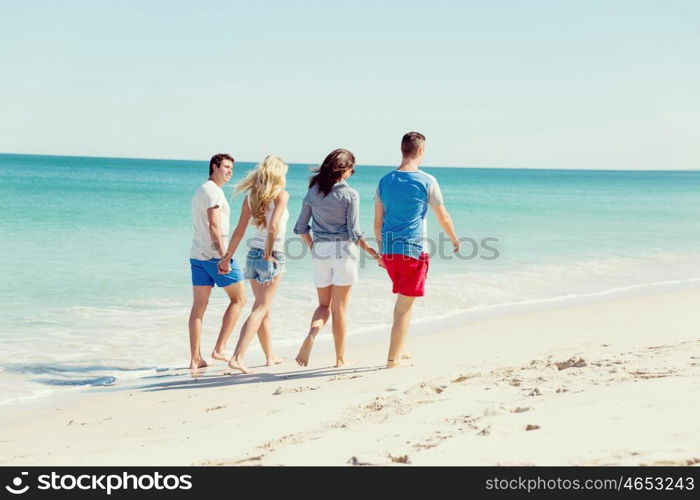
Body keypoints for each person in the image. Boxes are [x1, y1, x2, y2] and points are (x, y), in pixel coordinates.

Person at [374, 132, 460, 368]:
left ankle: (400, 349)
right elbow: (442, 215)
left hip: (390, 252)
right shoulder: (427, 180)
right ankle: (392, 359)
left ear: (402, 150)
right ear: (421, 151)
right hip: (413, 251)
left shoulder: (384, 180)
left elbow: (378, 222)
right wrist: (454, 238)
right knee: (404, 306)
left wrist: (382, 251)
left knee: (404, 302)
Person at [293, 149, 383, 368]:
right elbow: (354, 233)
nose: (352, 173)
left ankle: (312, 335)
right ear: (345, 169)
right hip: (344, 253)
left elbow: (300, 227)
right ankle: (340, 359)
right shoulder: (350, 194)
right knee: (339, 308)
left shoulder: (313, 191)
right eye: (352, 169)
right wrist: (374, 254)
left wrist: (314, 246)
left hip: (320, 252)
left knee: (323, 305)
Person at [218, 155, 289, 374]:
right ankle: (238, 357)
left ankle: (270, 356)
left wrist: (227, 256)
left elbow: (239, 231)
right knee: (260, 308)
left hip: (252, 256)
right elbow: (274, 226)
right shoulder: (281, 195)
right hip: (271, 255)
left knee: (262, 309)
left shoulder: (251, 197)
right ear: (278, 174)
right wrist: (268, 254)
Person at [188, 153, 247, 370]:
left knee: (199, 307)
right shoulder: (213, 192)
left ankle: (195, 359)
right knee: (240, 299)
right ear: (214, 166)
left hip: (197, 255)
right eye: (226, 167)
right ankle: (219, 348)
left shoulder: (201, 189)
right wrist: (224, 256)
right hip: (214, 256)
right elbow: (214, 226)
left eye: (232, 168)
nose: (230, 172)